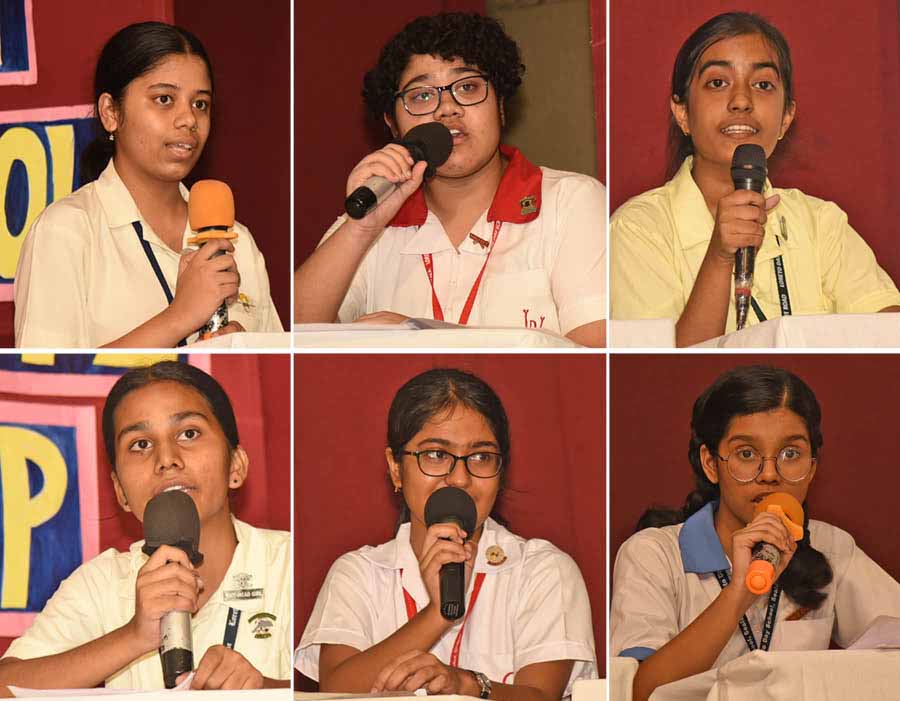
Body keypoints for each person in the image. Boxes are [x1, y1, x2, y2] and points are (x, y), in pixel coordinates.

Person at [294, 13, 606, 347]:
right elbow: (292, 338)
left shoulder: (571, 201)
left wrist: (422, 335)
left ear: (500, 105)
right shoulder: (371, 214)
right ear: (393, 124)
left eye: (468, 87)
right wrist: (361, 228)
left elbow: (595, 354)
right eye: (422, 96)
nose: (447, 109)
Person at [296, 368, 597, 699]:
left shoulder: (544, 569)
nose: (459, 479)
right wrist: (437, 615)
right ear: (396, 468)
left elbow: (543, 696)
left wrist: (466, 685)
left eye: (481, 457)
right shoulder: (358, 572)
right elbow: (335, 690)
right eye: (437, 455)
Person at [609, 366, 900, 701]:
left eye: (791, 454)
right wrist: (739, 592)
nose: (771, 474)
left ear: (812, 468)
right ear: (710, 464)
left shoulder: (831, 545)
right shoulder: (653, 552)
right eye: (747, 454)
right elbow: (641, 691)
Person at [610, 12, 900, 346]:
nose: (742, 101)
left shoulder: (821, 223)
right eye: (718, 83)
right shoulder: (638, 229)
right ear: (683, 113)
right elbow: (660, 368)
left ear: (786, 119)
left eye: (762, 85)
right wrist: (719, 257)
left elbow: (886, 333)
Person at [0, 361, 291, 690]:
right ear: (121, 492)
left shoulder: (288, 563)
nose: (167, 459)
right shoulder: (103, 583)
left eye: (188, 433)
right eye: (141, 444)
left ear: (235, 466)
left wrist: (264, 690)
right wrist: (134, 636)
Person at [14, 22, 282, 348]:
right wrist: (180, 316)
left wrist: (242, 353)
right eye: (165, 99)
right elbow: (51, 385)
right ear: (111, 112)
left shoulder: (239, 241)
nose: (188, 120)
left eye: (200, 104)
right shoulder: (67, 231)